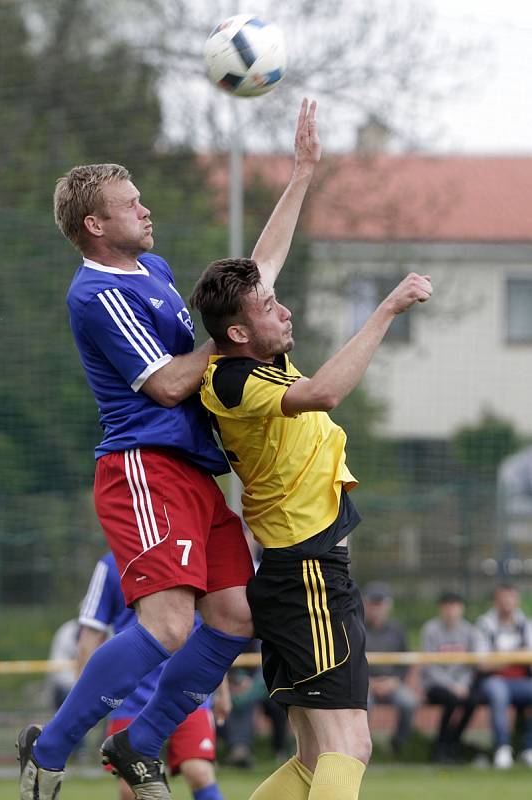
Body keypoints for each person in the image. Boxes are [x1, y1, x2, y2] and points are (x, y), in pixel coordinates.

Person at [17, 99, 320, 800]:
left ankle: (141, 742)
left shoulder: (150, 271)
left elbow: (255, 276)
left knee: (235, 616)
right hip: (144, 471)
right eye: (131, 204)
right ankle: (53, 745)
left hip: (193, 475)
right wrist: (232, 334)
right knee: (166, 622)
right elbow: (165, 386)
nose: (145, 210)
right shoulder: (97, 291)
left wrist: (301, 174)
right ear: (96, 225)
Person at [189, 132, 432, 798]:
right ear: (237, 332)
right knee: (349, 744)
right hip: (308, 576)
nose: (282, 307)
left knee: (310, 756)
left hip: (296, 574)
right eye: (268, 308)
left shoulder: (250, 350)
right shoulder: (238, 382)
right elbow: (322, 392)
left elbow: (264, 262)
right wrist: (384, 308)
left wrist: (299, 174)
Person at [77, 551, 228, 800]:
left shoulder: (190, 553)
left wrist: (221, 691)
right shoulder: (110, 564)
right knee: (132, 788)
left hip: (188, 691)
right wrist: (82, 700)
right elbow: (91, 632)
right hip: (130, 695)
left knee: (199, 772)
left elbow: (211, 632)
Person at [475, 582, 532, 768]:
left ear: (517, 600)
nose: (507, 602)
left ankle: (528, 749)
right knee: (499, 694)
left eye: (511, 598)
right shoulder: (484, 625)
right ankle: (502, 748)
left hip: (521, 680)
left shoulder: (526, 624)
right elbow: (482, 664)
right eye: (503, 598)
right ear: (496, 601)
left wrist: (501, 658)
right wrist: (515, 656)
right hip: (494, 680)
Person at [420, 591, 480, 763]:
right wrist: (451, 685)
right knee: (452, 700)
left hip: (461, 684)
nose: (451, 610)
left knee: (473, 700)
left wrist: (462, 684)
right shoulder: (430, 629)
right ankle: (440, 746)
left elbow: (470, 665)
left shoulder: (469, 631)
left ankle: (455, 742)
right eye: (447, 605)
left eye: (455, 605)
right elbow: (430, 666)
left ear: (462, 608)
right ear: (441, 608)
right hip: (435, 684)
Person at [363, 582, 419, 755]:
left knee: (410, 702)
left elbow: (405, 660)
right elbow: (351, 662)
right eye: (373, 603)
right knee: (361, 705)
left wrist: (395, 681)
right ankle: (362, 749)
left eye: (381, 603)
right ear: (366, 605)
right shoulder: (356, 628)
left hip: (392, 682)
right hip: (365, 684)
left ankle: (398, 744)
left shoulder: (397, 630)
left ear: (388, 605)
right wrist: (369, 682)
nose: (377, 608)